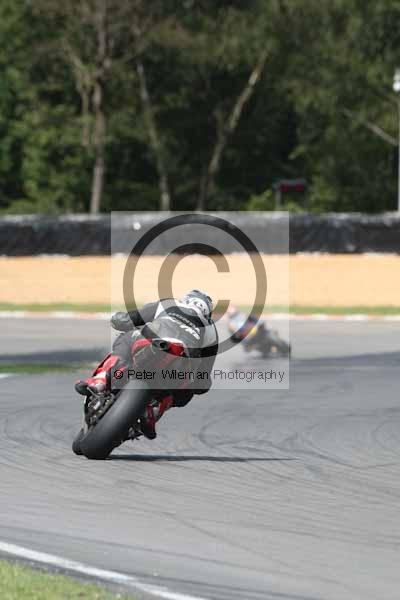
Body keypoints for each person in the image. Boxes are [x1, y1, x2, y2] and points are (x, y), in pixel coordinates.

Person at [75, 290, 218, 439]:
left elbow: (127, 319)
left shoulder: (168, 304)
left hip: (152, 340)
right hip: (180, 361)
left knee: (125, 340)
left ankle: (100, 380)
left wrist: (118, 319)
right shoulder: (211, 329)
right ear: (207, 313)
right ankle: (154, 411)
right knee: (185, 393)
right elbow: (204, 375)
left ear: (186, 300)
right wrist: (199, 385)